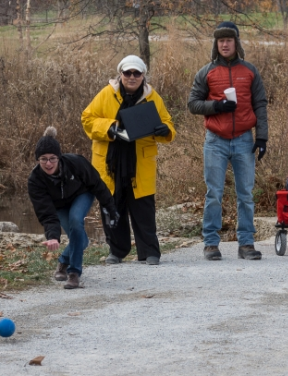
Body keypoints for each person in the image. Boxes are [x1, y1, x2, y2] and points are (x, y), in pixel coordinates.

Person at [81, 55, 177, 266]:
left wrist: (165, 130)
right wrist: (110, 127)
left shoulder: (153, 98)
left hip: (140, 164)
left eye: (137, 73)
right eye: (127, 73)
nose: (132, 77)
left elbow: (168, 123)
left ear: (143, 76)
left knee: (143, 209)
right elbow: (87, 119)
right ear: (120, 74)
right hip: (110, 164)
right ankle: (117, 251)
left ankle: (149, 252)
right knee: (112, 207)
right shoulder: (107, 94)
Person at [187, 21, 269, 261]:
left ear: (236, 42)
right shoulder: (206, 72)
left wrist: (262, 136)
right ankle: (211, 243)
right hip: (215, 140)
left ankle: (246, 243)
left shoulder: (250, 71)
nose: (224, 44)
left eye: (228, 40)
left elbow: (260, 104)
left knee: (245, 193)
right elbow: (193, 104)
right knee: (214, 193)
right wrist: (217, 106)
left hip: (244, 139)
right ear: (216, 43)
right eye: (220, 40)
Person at [27, 126, 120, 289]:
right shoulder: (35, 181)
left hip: (81, 195)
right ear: (37, 160)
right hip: (59, 206)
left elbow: (98, 185)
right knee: (81, 241)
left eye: (52, 158)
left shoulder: (76, 162)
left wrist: (111, 209)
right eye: (43, 159)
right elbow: (46, 212)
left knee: (76, 221)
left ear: (59, 157)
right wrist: (53, 236)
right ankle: (63, 260)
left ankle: (73, 273)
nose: (48, 163)